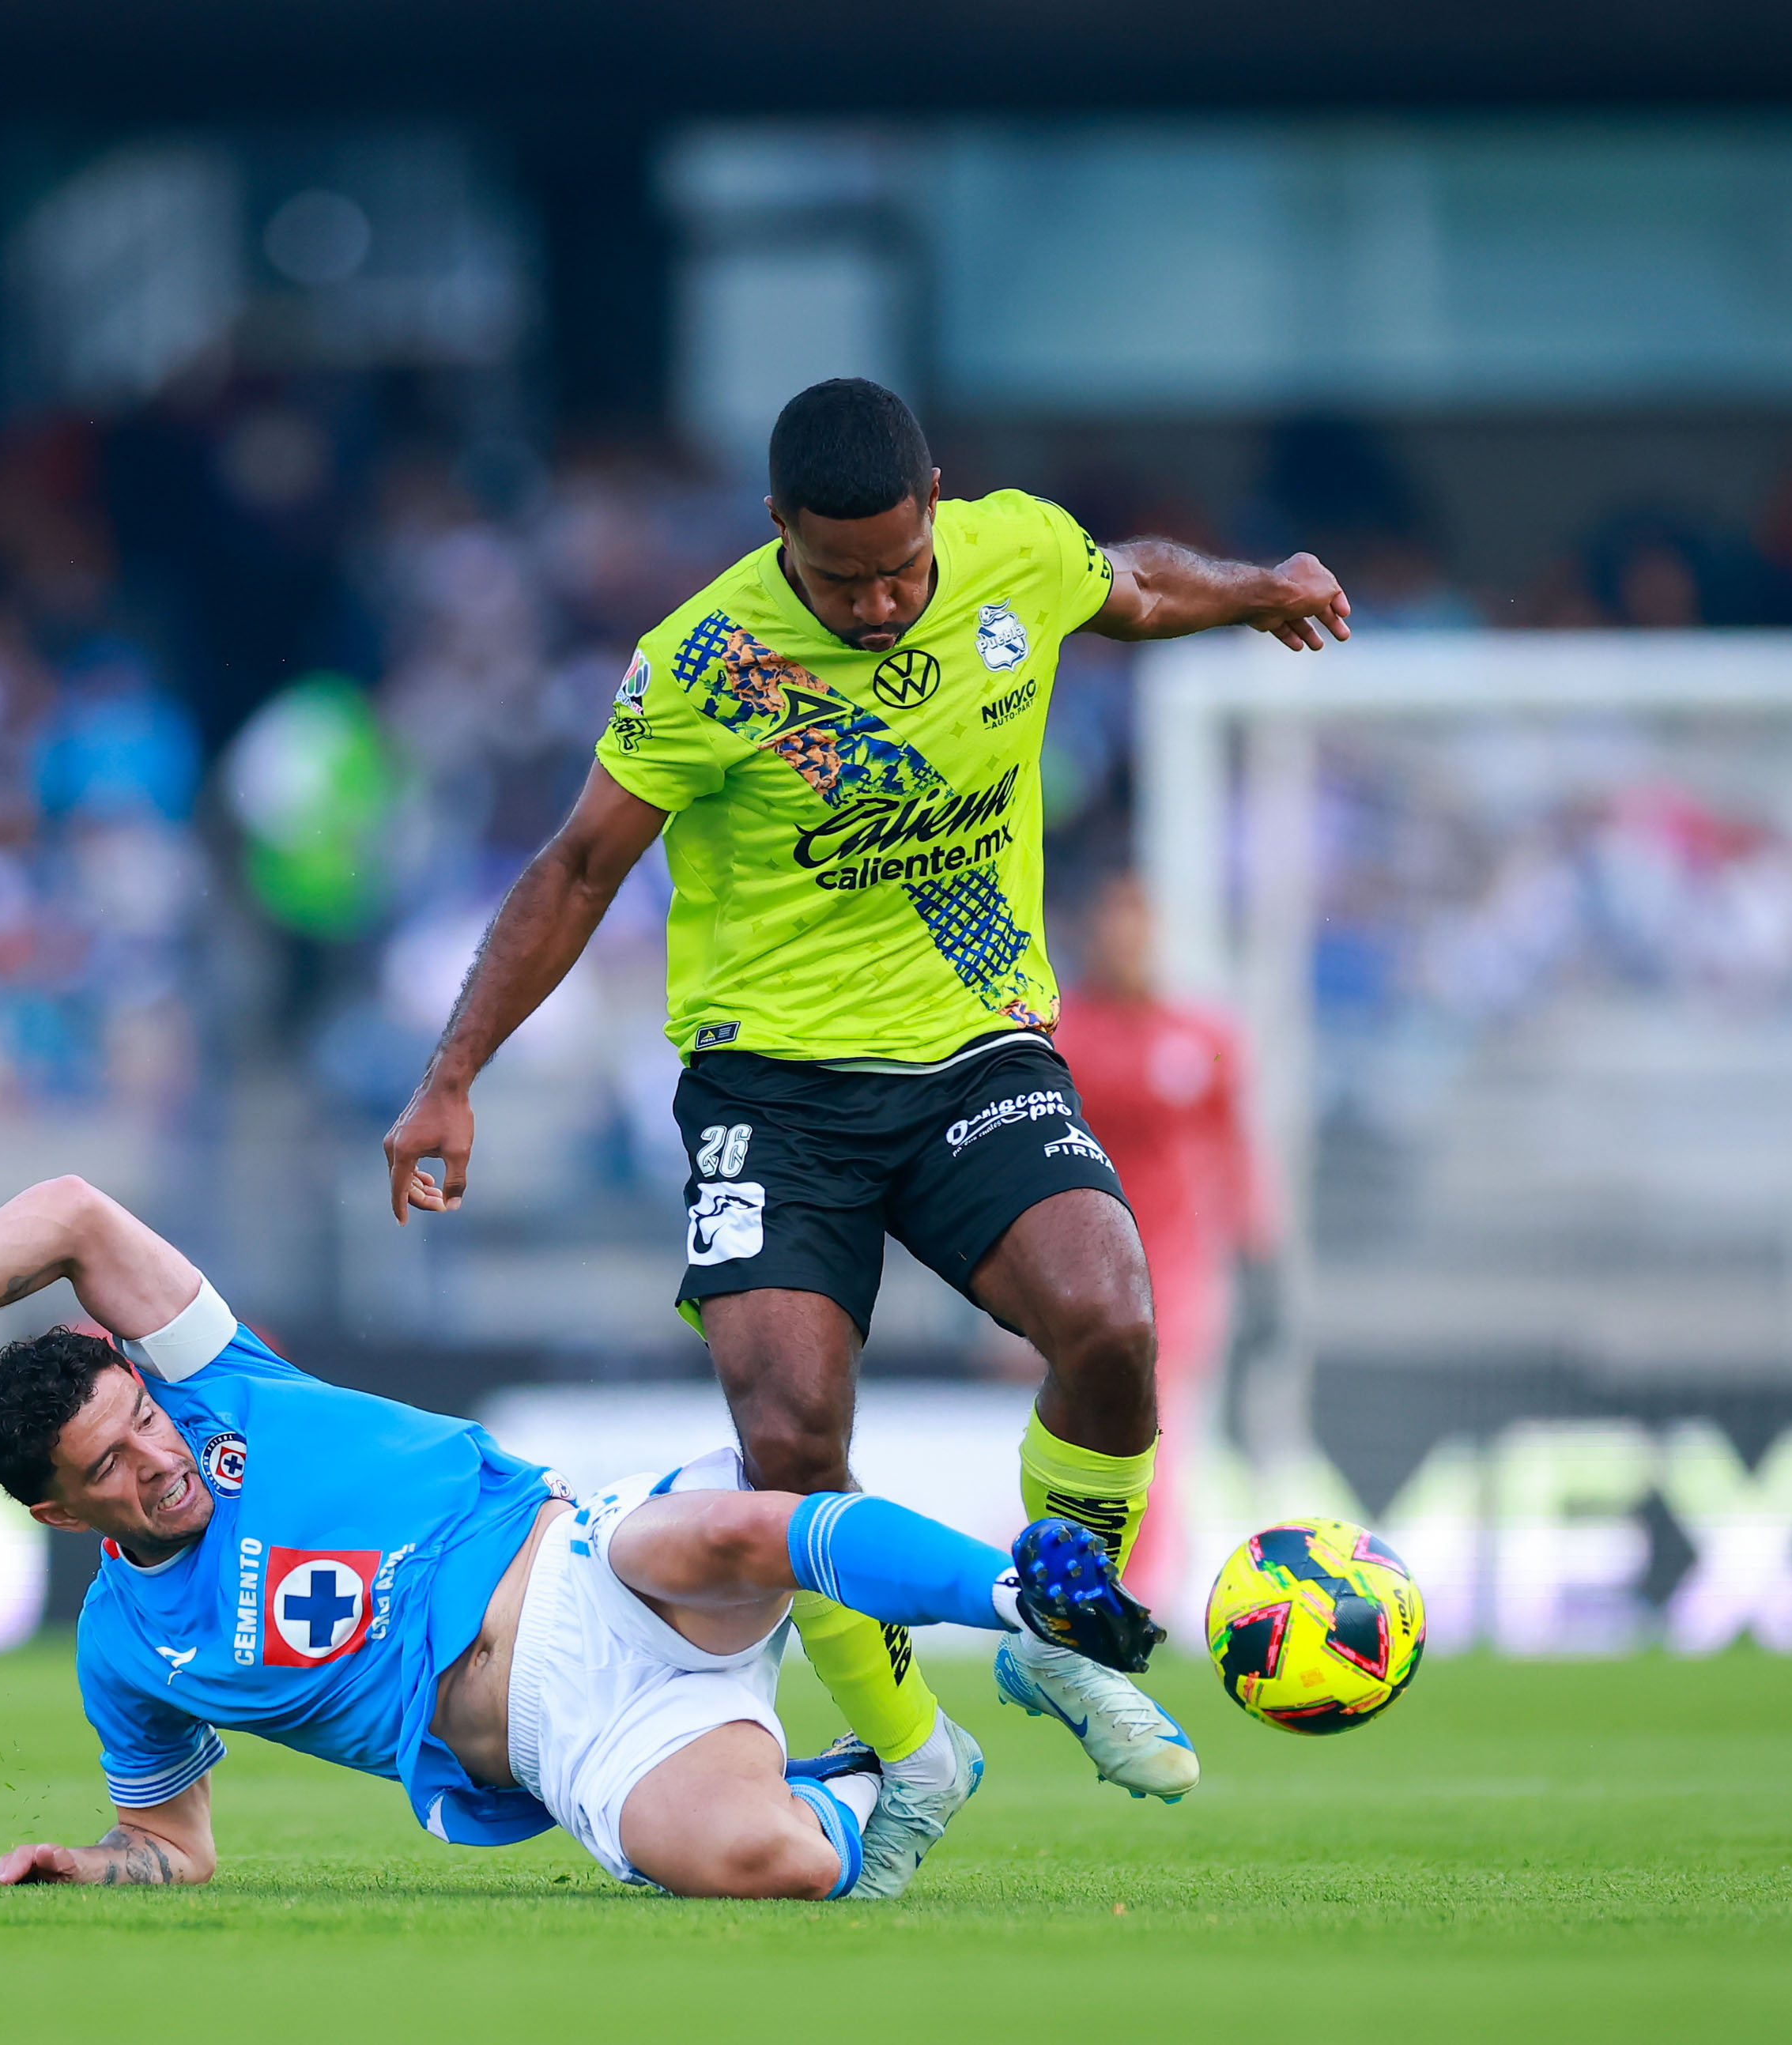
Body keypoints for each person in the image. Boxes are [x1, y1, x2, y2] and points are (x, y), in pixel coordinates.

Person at [380, 378, 1349, 1888]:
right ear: (778, 533)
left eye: (900, 567)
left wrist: (1259, 586)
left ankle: (1058, 1631)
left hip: (970, 1057)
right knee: (787, 1447)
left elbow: (1138, 581)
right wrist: (453, 1074)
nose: (883, 601)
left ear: (937, 505)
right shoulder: (702, 661)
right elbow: (576, 868)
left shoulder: (1008, 553)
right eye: (842, 581)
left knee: (1108, 1318)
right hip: (773, 1092)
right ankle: (912, 1748)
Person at [0, 1174, 1158, 1900]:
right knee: (769, 1867)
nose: (160, 1460)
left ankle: (1026, 1600)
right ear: (54, 1510)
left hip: (581, 1561)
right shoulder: (128, 1648)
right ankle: (878, 1778)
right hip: (574, 1748)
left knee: (733, 1526)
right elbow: (173, 1848)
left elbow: (69, 1211)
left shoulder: (224, 1385)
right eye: (112, 1466)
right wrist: (86, 1862)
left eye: (142, 1419)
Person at [1051, 872, 1281, 1629]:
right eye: (1113, 925)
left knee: (1150, 1421)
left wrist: (1260, 1255)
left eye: (1139, 925)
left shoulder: (1202, 1036)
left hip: (1175, 1267)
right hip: (1072, 1263)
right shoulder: (1060, 1033)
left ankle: (1135, 1590)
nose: (1126, 942)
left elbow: (1235, 1147)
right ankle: (1069, 1578)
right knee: (1080, 1426)